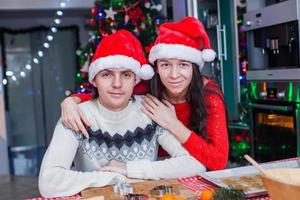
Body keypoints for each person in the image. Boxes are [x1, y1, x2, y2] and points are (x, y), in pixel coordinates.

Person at [39, 29, 205, 198]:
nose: (117, 84)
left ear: (136, 79)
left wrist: (129, 169)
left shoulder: (151, 110)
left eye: (126, 75)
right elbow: (48, 181)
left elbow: (194, 164)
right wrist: (114, 177)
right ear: (94, 80)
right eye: (106, 74)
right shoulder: (75, 116)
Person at [61, 17, 229, 171]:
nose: (174, 75)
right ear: (156, 67)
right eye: (165, 65)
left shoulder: (209, 97)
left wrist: (172, 123)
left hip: (196, 171)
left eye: (183, 65)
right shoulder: (149, 87)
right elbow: (109, 93)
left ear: (194, 67)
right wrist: (70, 101)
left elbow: (219, 161)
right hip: (153, 172)